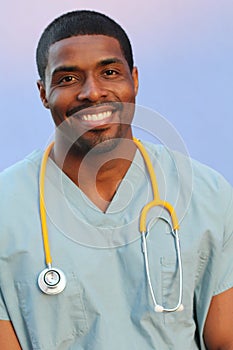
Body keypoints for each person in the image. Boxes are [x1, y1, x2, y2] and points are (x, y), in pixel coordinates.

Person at [0, 9, 233, 350]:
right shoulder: (6, 210)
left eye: (109, 72)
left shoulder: (206, 195)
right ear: (42, 92)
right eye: (67, 79)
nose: (92, 92)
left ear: (134, 80)